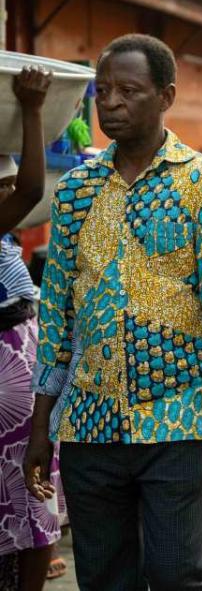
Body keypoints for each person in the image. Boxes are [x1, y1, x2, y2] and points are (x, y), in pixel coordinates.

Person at [23, 34, 202, 591]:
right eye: (102, 92)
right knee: (103, 579)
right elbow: (57, 312)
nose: (112, 103)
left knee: (178, 574)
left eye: (129, 90)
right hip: (88, 426)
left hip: (178, 419)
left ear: (166, 96)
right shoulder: (76, 190)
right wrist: (41, 424)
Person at [0, 67, 55, 591]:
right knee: (24, 501)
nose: (14, 190)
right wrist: (34, 110)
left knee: (30, 504)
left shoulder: (6, 242)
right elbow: (37, 187)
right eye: (4, 186)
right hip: (7, 389)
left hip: (20, 382)